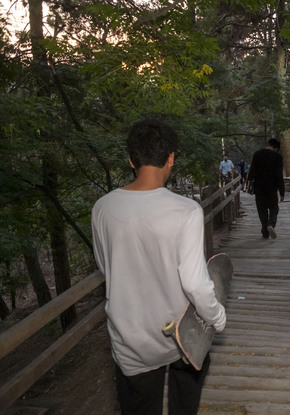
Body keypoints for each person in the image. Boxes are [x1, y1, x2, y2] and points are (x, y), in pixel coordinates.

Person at [91, 120, 226, 415]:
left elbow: (106, 266)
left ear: (130, 160)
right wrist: (218, 317)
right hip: (181, 336)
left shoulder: (103, 208)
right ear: (171, 158)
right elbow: (194, 283)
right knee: (185, 400)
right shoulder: (186, 211)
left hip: (130, 340)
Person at [248, 138, 285, 239]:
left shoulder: (257, 154)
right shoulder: (278, 156)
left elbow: (251, 171)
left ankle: (265, 232)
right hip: (272, 188)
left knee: (262, 210)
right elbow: (279, 176)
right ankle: (271, 224)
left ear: (268, 144)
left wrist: (249, 185)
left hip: (259, 188)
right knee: (274, 208)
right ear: (276, 148)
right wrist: (282, 192)